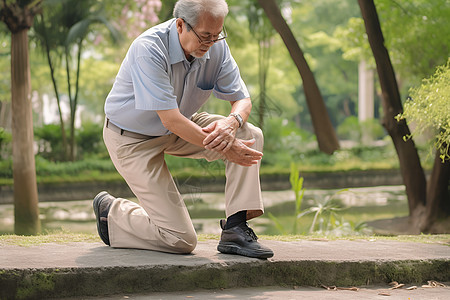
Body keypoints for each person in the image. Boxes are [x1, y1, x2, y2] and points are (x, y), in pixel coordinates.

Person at [93, 0, 273, 259]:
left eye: (217, 35)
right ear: (180, 25)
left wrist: (231, 123)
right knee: (181, 240)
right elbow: (170, 120)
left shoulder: (216, 47)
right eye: (205, 36)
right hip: (132, 140)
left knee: (249, 135)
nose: (211, 42)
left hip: (182, 126)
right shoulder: (149, 48)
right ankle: (112, 214)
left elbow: (243, 100)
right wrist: (225, 146)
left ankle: (235, 229)